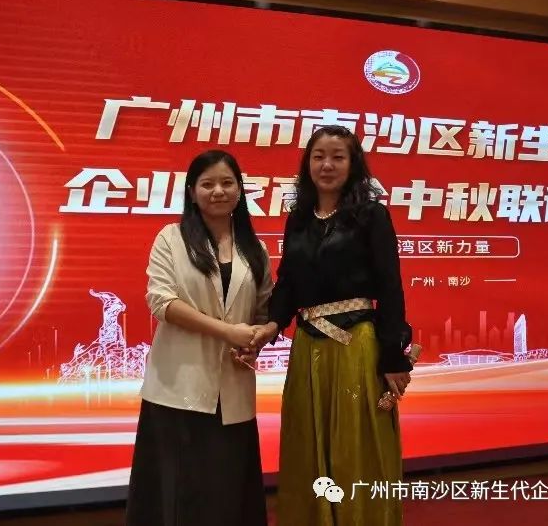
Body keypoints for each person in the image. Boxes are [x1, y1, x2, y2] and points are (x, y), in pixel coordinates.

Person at [254, 125, 414, 525]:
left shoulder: (371, 215)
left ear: (353, 164)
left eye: (338, 157)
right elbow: (288, 283)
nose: (327, 165)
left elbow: (390, 286)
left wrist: (393, 357)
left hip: (356, 344)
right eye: (319, 156)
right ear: (307, 163)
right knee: (306, 442)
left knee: (356, 445)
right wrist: (271, 325)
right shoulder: (298, 220)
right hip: (307, 348)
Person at [126, 150, 271, 526]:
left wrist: (257, 339)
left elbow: (264, 310)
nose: (218, 191)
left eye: (227, 183)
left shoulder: (254, 249)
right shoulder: (171, 238)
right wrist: (228, 332)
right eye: (207, 184)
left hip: (233, 388)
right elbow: (162, 302)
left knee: (226, 492)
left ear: (240, 190)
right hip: (178, 385)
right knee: (179, 492)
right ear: (192, 192)